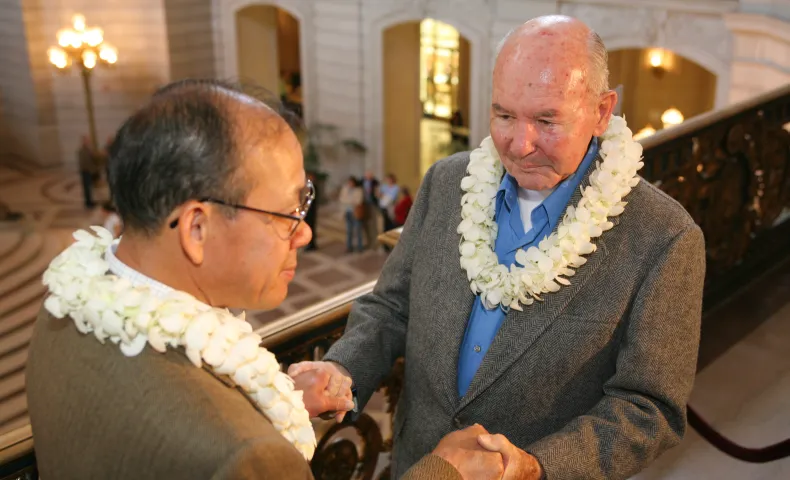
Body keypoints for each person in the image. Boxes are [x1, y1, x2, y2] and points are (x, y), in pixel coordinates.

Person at [291, 15, 706, 480]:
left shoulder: (665, 239)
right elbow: (391, 305)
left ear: (602, 111)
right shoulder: (448, 182)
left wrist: (535, 467)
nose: (519, 143)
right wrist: (343, 370)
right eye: (504, 114)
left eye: (547, 120)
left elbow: (649, 409)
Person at [26, 79, 500, 480]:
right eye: (288, 212)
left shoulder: (62, 307)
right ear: (196, 228)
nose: (306, 231)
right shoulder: (244, 455)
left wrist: (266, 402)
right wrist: (445, 471)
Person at [339, 176, 364, 253]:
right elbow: (341, 199)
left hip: (355, 212)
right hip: (347, 212)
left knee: (358, 230)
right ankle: (349, 246)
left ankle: (359, 246)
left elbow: (358, 201)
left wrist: (348, 200)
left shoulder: (359, 190)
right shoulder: (345, 189)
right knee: (349, 231)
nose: (350, 184)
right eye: (349, 182)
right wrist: (350, 200)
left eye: (351, 182)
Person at [77, 134, 98, 208]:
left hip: (88, 171)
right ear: (84, 141)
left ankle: (90, 201)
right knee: (86, 188)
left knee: (89, 187)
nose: (88, 142)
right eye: (87, 140)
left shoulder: (88, 150)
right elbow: (84, 162)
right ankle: (88, 203)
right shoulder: (82, 151)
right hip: (85, 171)